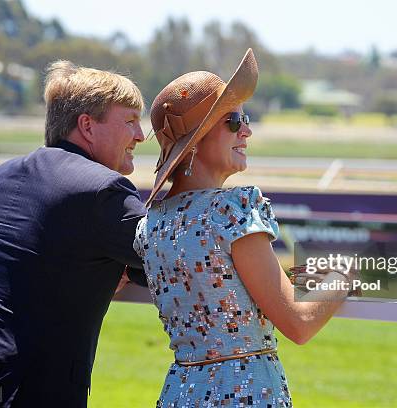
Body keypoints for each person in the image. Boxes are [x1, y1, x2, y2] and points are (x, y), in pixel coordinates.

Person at [134, 49, 354, 407]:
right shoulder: (231, 210)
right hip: (246, 394)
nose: (247, 130)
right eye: (233, 121)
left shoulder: (150, 226)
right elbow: (298, 324)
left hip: (177, 393)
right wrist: (343, 277)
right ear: (196, 142)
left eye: (244, 118)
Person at [0, 60, 147, 407]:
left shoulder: (2, 175)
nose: (139, 135)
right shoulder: (102, 189)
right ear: (87, 126)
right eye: (130, 121)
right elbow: (171, 261)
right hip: (20, 391)